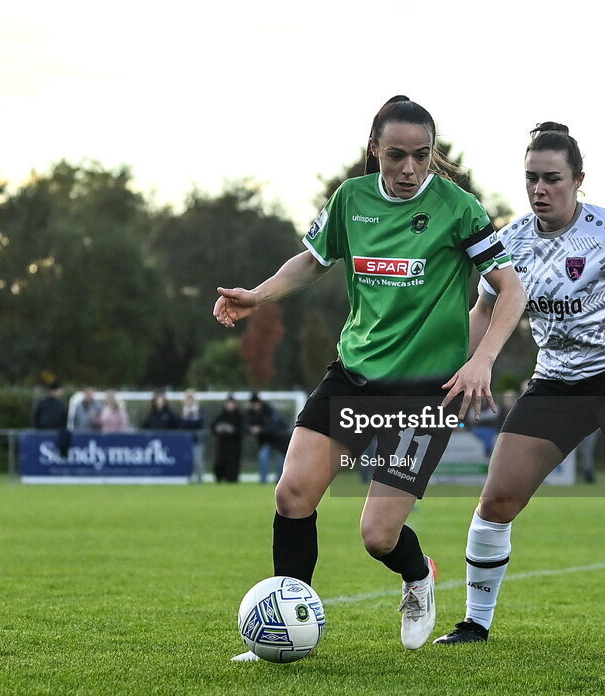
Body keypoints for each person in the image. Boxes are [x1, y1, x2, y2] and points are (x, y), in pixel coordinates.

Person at [215, 96, 525, 660]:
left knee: (377, 536)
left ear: (434, 154)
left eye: (422, 156)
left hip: (428, 392)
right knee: (293, 495)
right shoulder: (350, 200)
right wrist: (257, 296)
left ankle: (418, 573)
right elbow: (312, 260)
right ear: (374, 152)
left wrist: (482, 360)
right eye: (396, 156)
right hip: (353, 377)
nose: (409, 169)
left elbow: (512, 289)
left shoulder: (458, 209)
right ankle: (287, 630)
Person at [434, 122, 605, 649]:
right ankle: (475, 623)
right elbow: (486, 306)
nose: (540, 190)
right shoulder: (510, 242)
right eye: (531, 179)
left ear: (578, 180)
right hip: (556, 380)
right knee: (497, 501)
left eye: (552, 179)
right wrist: (458, 362)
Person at [246, 394, 289, 484]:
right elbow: (245, 424)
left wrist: (261, 429)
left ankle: (279, 481)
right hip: (265, 441)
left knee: (281, 460)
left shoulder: (270, 412)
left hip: (279, 441)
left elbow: (273, 427)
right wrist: (251, 428)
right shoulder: (250, 413)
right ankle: (263, 481)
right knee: (263, 456)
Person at [210, 395, 243, 483]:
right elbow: (213, 426)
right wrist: (219, 429)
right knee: (219, 463)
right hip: (222, 445)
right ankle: (219, 479)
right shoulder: (221, 415)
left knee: (232, 466)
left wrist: (233, 430)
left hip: (234, 446)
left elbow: (242, 429)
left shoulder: (239, 416)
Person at [179, 390, 207, 482]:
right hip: (184, 441)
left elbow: (200, 423)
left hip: (197, 440)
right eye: (187, 399)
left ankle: (200, 480)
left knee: (197, 461)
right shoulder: (182, 412)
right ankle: (187, 479)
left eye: (191, 399)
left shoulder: (200, 411)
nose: (189, 401)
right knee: (186, 461)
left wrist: (191, 419)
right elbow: (182, 425)